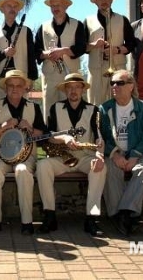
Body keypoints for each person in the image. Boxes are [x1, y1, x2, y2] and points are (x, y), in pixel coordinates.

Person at [35, 72, 106, 236]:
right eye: (70, 88)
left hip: (85, 157)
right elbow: (49, 136)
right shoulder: (55, 108)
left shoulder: (93, 110)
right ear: (65, 90)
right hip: (62, 157)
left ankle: (92, 218)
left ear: (82, 90)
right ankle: (49, 215)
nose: (73, 91)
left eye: (77, 87)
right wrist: (64, 138)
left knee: (100, 168)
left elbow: (98, 137)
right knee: (42, 165)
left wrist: (100, 155)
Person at [0, 70, 47, 235]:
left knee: (23, 172)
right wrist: (4, 126)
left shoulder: (34, 107)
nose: (15, 89)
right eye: (11, 85)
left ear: (25, 88)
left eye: (19, 85)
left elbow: (43, 136)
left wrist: (31, 129)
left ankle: (27, 222)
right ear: (5, 88)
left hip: (26, 157)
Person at [100, 69, 143, 237]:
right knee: (109, 168)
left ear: (131, 86)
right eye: (113, 83)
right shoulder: (105, 109)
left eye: (120, 83)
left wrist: (134, 155)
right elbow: (102, 136)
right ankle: (124, 216)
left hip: (137, 154)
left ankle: (124, 213)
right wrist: (115, 154)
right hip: (115, 154)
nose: (115, 86)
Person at [35, 0, 87, 115]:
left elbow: (81, 48)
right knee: (49, 111)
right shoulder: (43, 27)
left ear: (66, 6)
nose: (55, 8)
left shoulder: (77, 25)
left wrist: (63, 51)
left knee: (71, 110)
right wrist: (46, 54)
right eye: (52, 6)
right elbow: (35, 51)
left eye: (58, 5)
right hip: (50, 76)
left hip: (71, 76)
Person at [84, 0, 136, 106]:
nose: (104, 1)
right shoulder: (88, 21)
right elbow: (81, 48)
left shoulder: (122, 19)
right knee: (96, 103)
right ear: (95, 2)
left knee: (120, 102)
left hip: (118, 68)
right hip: (96, 71)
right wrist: (93, 45)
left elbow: (131, 44)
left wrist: (117, 50)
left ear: (112, 0)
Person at [0, 0, 38, 98]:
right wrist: (4, 53)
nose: (12, 9)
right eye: (9, 6)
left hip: (21, 79)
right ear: (2, 9)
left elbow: (31, 55)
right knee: (0, 111)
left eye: (15, 6)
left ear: (18, 10)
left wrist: (32, 79)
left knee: (22, 112)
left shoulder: (26, 31)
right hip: (0, 79)